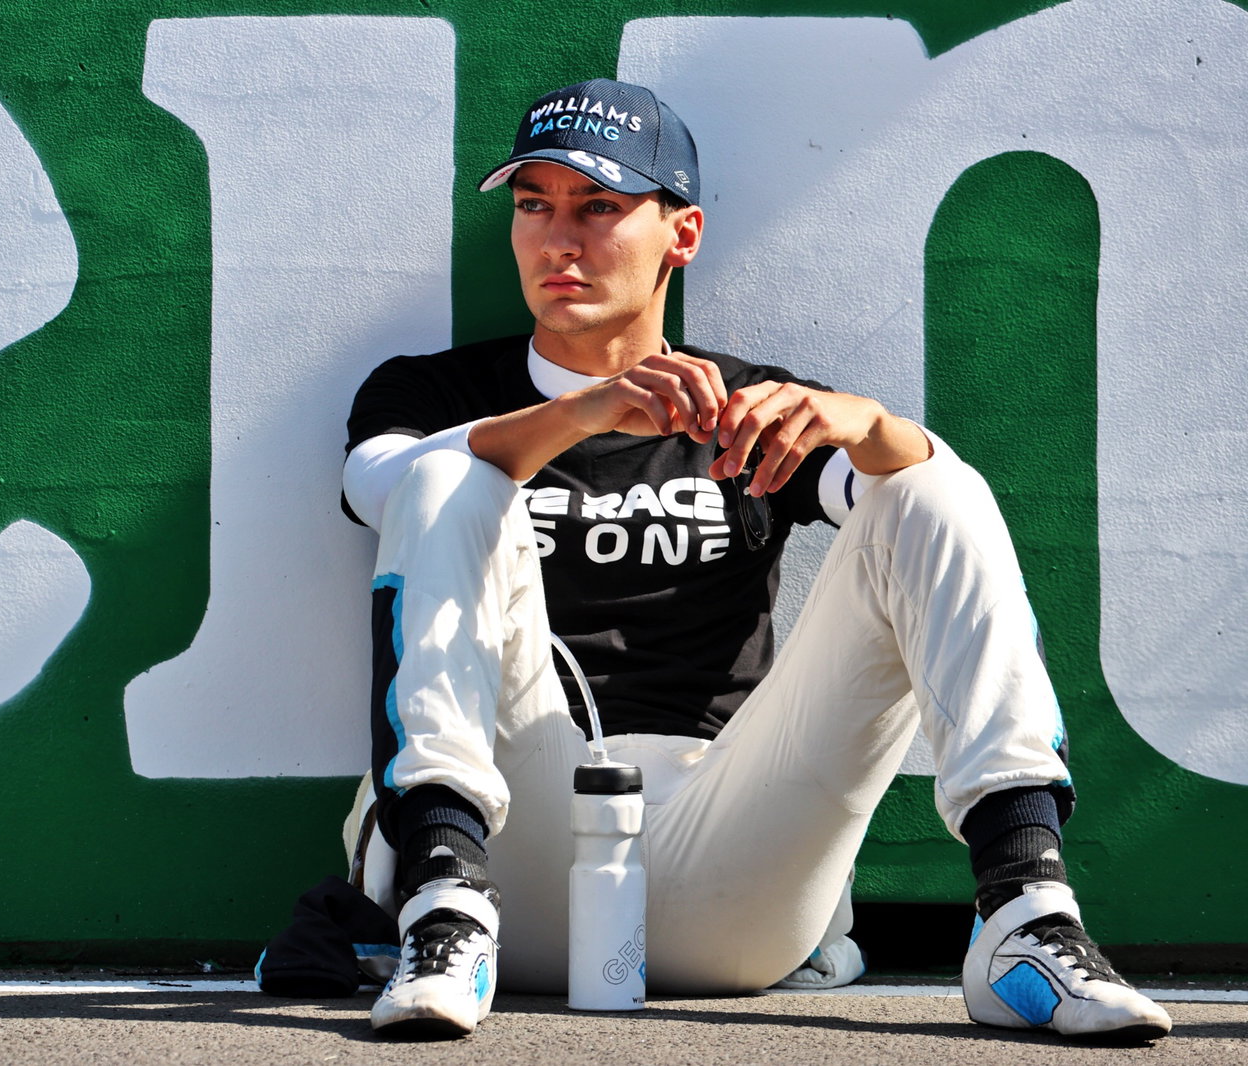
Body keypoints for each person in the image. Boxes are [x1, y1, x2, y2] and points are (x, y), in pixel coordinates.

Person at [336, 77, 1171, 1043]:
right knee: (452, 475)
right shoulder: (430, 391)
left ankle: (1025, 911)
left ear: (679, 235)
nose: (558, 240)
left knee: (932, 480)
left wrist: (874, 427)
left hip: (733, 862)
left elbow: (910, 507)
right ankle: (442, 898)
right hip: (508, 866)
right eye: (535, 206)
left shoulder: (745, 405)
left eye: (599, 206)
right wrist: (588, 412)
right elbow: (385, 492)